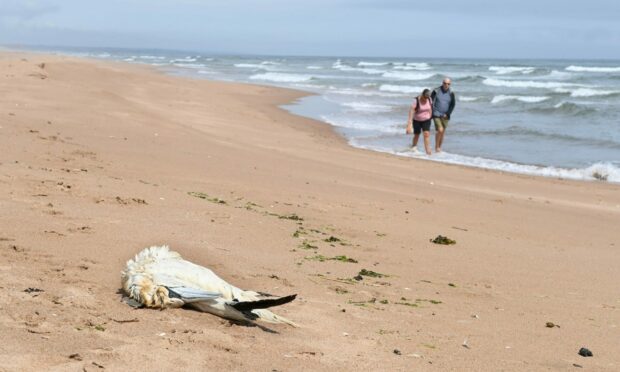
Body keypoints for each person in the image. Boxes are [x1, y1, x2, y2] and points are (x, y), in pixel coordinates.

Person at [430, 78, 456, 152]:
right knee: (440, 130)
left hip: (445, 115)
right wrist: (431, 112)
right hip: (436, 113)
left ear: (450, 84)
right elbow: (430, 101)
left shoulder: (451, 93)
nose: (446, 85)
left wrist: (448, 113)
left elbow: (452, 104)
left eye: (448, 84)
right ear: (442, 83)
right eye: (445, 83)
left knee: (442, 132)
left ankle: (439, 147)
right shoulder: (436, 91)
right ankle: (436, 147)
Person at [406, 88, 433, 155]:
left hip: (426, 120)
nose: (425, 99)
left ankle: (428, 151)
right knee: (417, 135)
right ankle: (414, 147)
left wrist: (430, 117)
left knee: (426, 134)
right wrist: (409, 123)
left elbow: (430, 108)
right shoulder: (416, 100)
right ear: (422, 95)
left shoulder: (429, 99)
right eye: (424, 97)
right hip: (417, 120)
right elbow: (411, 111)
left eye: (427, 97)